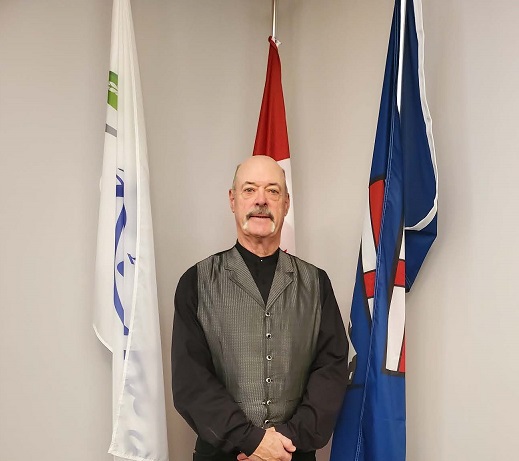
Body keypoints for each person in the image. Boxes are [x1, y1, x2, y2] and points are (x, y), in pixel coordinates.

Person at [172, 155, 349, 461]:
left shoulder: (317, 283)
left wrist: (282, 443)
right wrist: (251, 441)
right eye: (249, 189)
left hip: (293, 455)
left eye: (273, 191)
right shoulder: (196, 282)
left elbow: (330, 371)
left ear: (286, 203)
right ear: (233, 200)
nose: (261, 200)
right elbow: (191, 381)